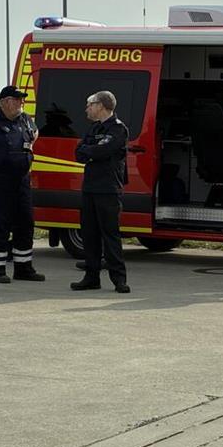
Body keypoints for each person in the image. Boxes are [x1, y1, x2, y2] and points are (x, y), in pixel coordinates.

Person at [0, 85, 44, 284]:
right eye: (16, 99)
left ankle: (24, 267)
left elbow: (34, 132)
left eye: (21, 99)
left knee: (25, 223)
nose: (20, 102)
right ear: (5, 102)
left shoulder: (25, 119)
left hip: (22, 180)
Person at [71, 90, 131, 294]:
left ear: (101, 106)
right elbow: (79, 153)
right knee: (89, 234)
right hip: (89, 188)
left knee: (110, 235)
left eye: (90, 104)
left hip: (108, 189)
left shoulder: (118, 129)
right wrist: (92, 150)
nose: (87, 108)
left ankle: (119, 279)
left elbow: (105, 150)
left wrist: (92, 150)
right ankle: (91, 277)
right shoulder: (93, 129)